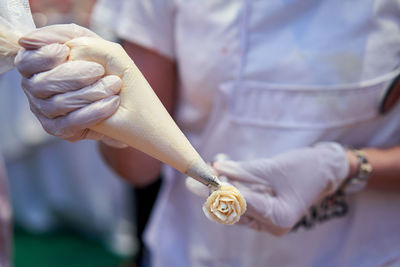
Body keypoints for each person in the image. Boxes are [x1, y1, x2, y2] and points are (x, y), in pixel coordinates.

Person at [14, 0, 400, 266]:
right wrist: (111, 121)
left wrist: (349, 167)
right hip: (199, 250)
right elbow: (137, 167)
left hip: (370, 250)